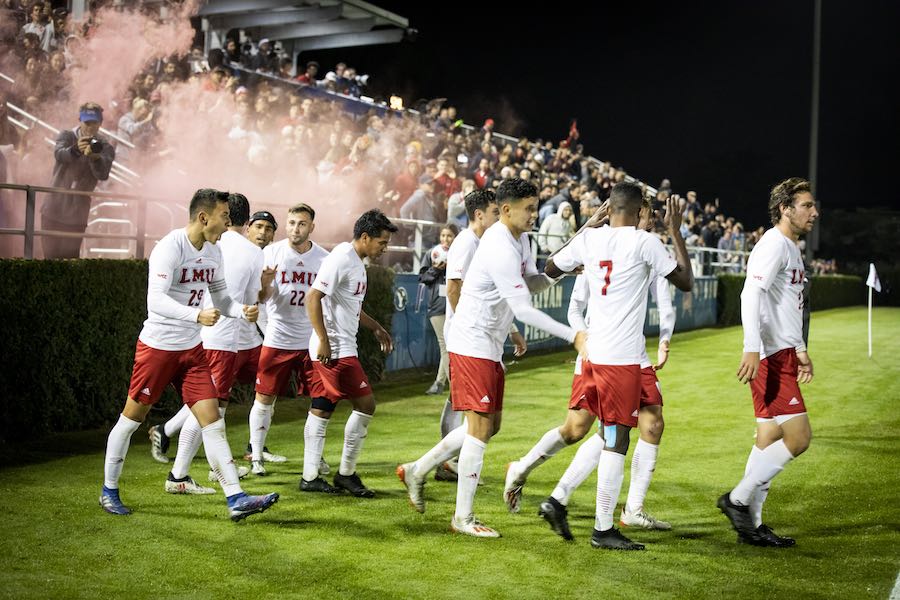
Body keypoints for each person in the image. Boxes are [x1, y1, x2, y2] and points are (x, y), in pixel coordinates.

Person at [398, 178, 587, 538]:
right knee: (481, 430)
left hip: (488, 342)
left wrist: (561, 269)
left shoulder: (522, 239)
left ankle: (417, 470)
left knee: (487, 427)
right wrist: (573, 335)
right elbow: (524, 308)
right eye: (529, 208)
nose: (534, 214)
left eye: (535, 207)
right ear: (505, 210)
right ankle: (463, 517)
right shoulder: (498, 244)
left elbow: (531, 281)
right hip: (471, 342)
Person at [99, 188, 278, 521]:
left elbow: (222, 300)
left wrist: (241, 312)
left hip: (192, 350)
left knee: (212, 420)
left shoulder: (214, 252)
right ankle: (109, 490)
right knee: (130, 420)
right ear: (203, 217)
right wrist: (195, 315)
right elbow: (156, 301)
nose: (228, 224)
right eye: (224, 217)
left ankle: (235, 498)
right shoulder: (170, 247)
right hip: (158, 348)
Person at [544, 183, 693, 549]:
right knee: (616, 438)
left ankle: (562, 501)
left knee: (609, 431)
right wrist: (674, 231)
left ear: (609, 208)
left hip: (594, 355)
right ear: (640, 208)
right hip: (620, 358)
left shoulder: (591, 239)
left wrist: (585, 228)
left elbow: (549, 268)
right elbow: (686, 281)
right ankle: (603, 528)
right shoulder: (645, 243)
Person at [718, 178, 817, 547]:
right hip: (771, 356)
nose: (814, 212)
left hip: (784, 352)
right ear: (785, 209)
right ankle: (737, 500)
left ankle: (752, 526)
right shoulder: (774, 244)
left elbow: (786, 306)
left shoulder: (790, 246)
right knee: (799, 437)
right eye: (807, 205)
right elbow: (751, 293)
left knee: (768, 438)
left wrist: (801, 348)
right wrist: (751, 347)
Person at [151, 192, 263, 494]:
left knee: (209, 409)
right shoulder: (245, 251)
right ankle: (181, 473)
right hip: (218, 338)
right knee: (210, 411)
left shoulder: (210, 245)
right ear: (246, 222)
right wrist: (248, 307)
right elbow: (249, 297)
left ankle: (207, 474)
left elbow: (221, 297)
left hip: (205, 333)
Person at [306, 209, 397, 498]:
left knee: (322, 407)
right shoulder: (341, 258)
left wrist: (376, 327)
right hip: (336, 349)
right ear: (366, 237)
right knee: (366, 405)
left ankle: (310, 477)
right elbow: (313, 297)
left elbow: (350, 306)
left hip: (340, 345)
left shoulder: (356, 261)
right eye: (382, 242)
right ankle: (346, 473)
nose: (385, 248)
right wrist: (323, 340)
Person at [249, 203, 332, 487]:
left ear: (311, 227)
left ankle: (314, 458)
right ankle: (257, 455)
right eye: (292, 222)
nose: (295, 228)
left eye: (301, 223)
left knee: (321, 400)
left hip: (310, 340)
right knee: (264, 397)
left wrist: (325, 335)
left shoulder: (324, 258)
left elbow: (328, 300)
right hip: (278, 337)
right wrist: (265, 283)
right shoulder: (270, 253)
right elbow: (260, 297)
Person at [42, 102, 115, 258]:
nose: (90, 126)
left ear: (100, 123)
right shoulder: (67, 136)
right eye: (87, 122)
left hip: (77, 212)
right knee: (49, 259)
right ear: (79, 121)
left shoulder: (105, 146)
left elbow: (102, 174)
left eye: (94, 122)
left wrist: (94, 158)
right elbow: (59, 154)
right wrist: (76, 150)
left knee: (71, 260)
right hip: (54, 206)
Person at [420, 224, 459, 396]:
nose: (445, 239)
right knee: (446, 346)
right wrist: (436, 268)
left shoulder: (460, 253)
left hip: (456, 305)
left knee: (451, 346)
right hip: (437, 306)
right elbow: (423, 278)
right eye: (443, 235)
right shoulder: (432, 254)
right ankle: (453, 387)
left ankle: (439, 383)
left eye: (449, 236)